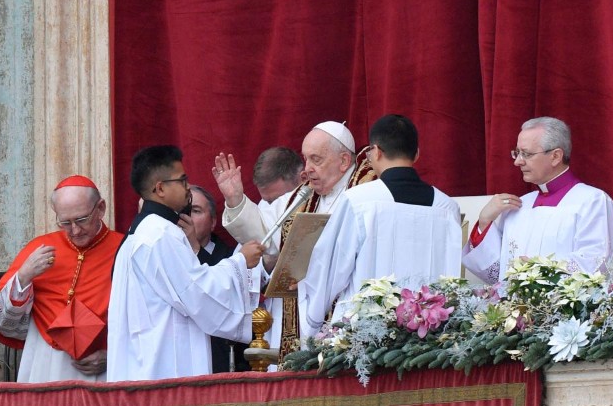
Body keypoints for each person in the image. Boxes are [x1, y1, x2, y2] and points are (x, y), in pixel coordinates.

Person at [213, 121, 376, 352]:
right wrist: (236, 199)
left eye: (316, 159)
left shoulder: (367, 194)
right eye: (306, 158)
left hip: (345, 311)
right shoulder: (299, 197)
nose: (307, 168)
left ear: (344, 162)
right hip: (296, 312)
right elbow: (264, 238)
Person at [107, 146, 265, 382]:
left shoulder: (142, 230)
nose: (187, 188)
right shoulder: (160, 234)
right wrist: (241, 262)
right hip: (163, 361)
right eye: (182, 181)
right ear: (160, 188)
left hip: (146, 356)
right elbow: (197, 293)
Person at [299, 114, 463, 337]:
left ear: (375, 151)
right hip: (428, 336)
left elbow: (330, 268)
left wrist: (312, 324)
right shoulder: (446, 207)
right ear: (416, 153)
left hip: (365, 338)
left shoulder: (358, 201)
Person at [0, 176, 124, 383]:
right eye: (65, 222)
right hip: (44, 363)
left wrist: (114, 355)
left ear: (101, 209)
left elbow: (146, 319)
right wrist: (24, 276)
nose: (75, 230)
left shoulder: (125, 249)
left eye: (82, 220)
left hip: (104, 370)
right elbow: (2, 320)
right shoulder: (39, 247)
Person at [462, 117, 613, 287]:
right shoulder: (519, 205)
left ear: (555, 156)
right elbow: (498, 275)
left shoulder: (592, 201)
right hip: (514, 311)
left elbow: (597, 265)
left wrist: (539, 271)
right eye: (516, 153)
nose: (517, 161)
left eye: (526, 154)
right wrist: (484, 221)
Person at [189, 185, 251, 373]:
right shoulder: (168, 255)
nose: (188, 218)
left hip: (225, 361)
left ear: (213, 221)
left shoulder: (233, 257)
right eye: (184, 211)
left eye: (196, 211)